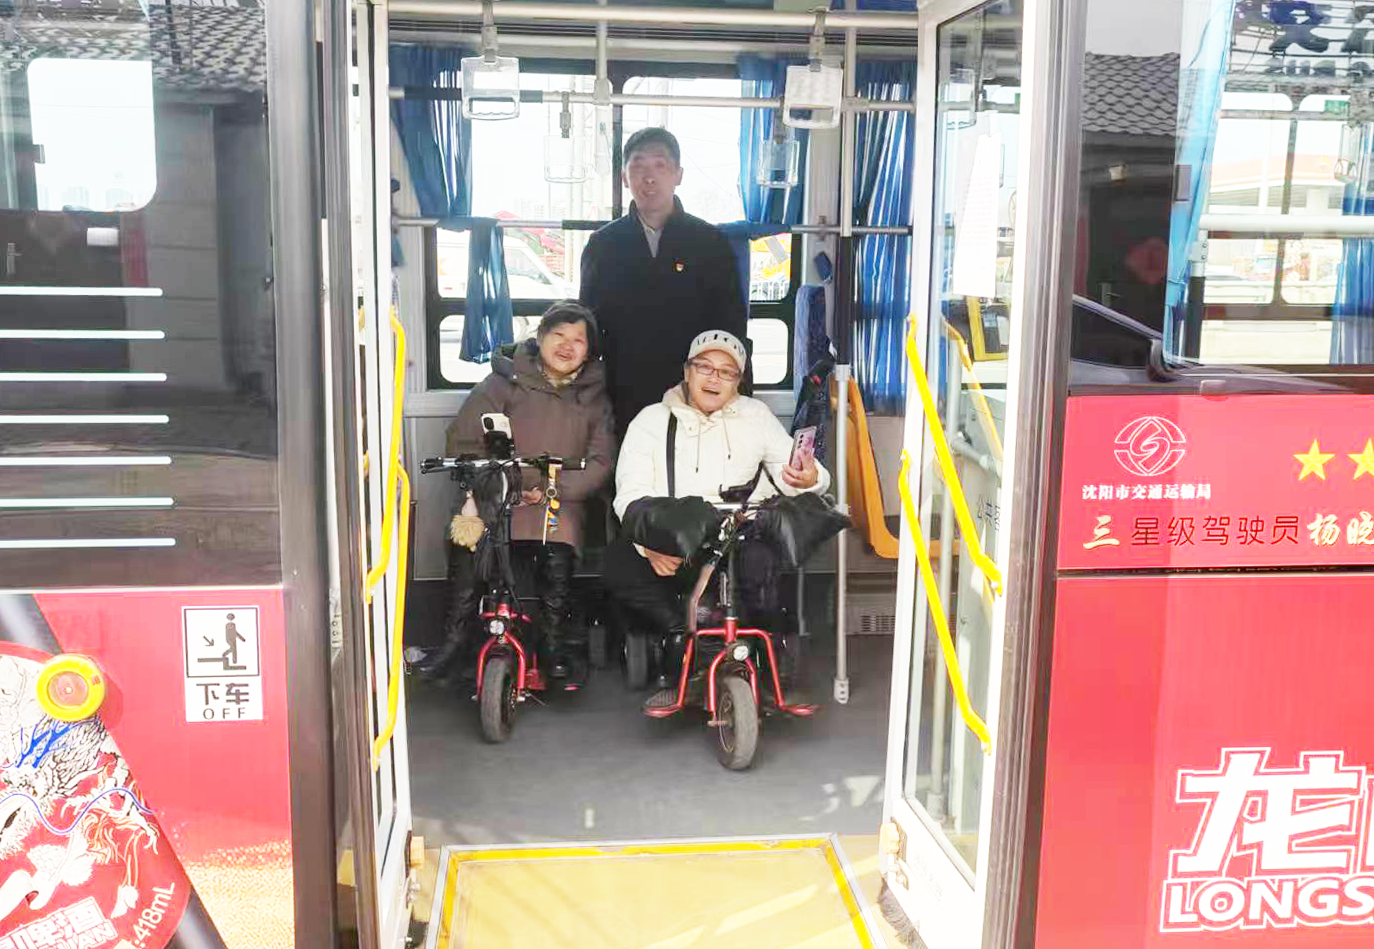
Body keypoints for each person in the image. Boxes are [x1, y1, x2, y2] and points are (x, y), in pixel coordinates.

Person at [605, 330, 830, 686]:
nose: (714, 378)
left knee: (762, 565)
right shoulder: (650, 420)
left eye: (727, 372)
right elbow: (630, 495)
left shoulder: (756, 416)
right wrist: (648, 546)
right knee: (619, 565)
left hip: (741, 532)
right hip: (678, 537)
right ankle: (681, 636)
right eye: (705, 367)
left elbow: (793, 474)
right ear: (687, 371)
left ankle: (762, 641)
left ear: (738, 382)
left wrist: (811, 477)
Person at [419, 302, 614, 683]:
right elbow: (462, 440)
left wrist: (551, 489)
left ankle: (553, 643)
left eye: (578, 340)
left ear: (589, 351)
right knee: (470, 540)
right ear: (539, 337)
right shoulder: (501, 383)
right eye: (558, 335)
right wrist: (504, 484)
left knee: (559, 539)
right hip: (497, 491)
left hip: (558, 499)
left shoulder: (595, 398)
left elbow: (601, 462)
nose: (567, 345)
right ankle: (455, 640)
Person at [580, 127, 748, 439]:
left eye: (660, 165)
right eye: (638, 166)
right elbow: (588, 327)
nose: (649, 177)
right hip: (624, 395)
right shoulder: (603, 245)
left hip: (696, 395)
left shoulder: (710, 243)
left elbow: (731, 327)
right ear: (624, 177)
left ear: (678, 175)